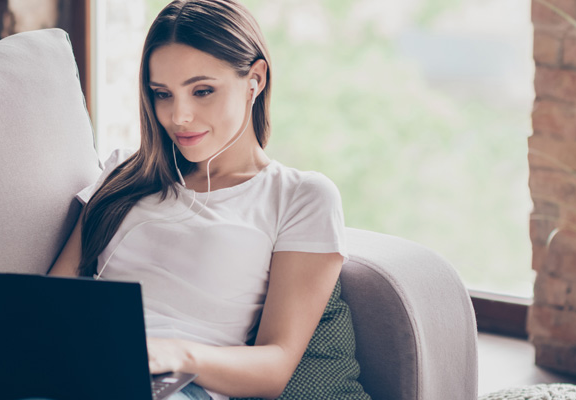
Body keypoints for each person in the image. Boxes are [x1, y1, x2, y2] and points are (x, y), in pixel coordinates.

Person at [47, 1, 353, 399]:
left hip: (180, 386)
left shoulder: (300, 197)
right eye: (163, 94)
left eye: (202, 91)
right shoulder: (123, 172)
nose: (179, 117)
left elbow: (275, 366)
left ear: (254, 80)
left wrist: (175, 355)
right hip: (75, 365)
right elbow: (50, 301)